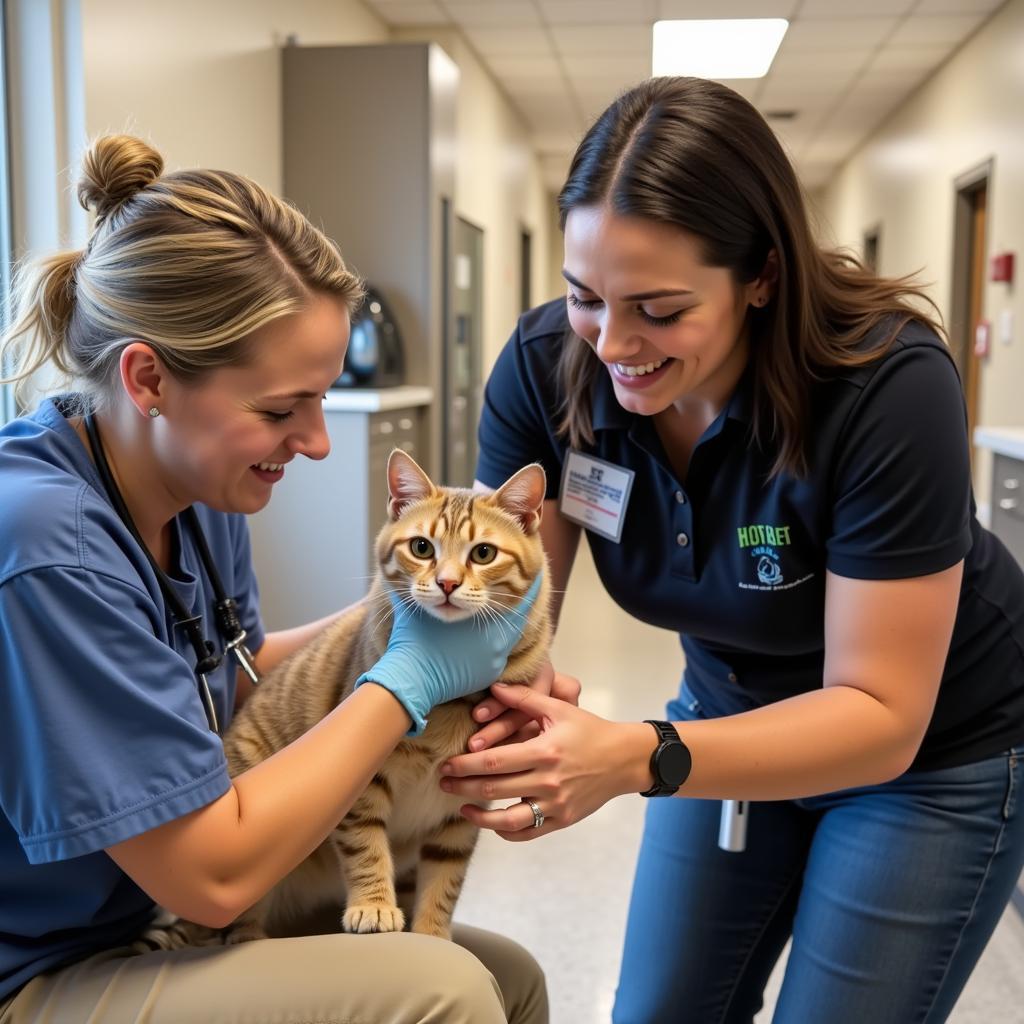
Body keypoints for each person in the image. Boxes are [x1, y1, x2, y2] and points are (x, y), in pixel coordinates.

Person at [437, 77, 1024, 1023]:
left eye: (660, 310)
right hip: (728, 706)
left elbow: (881, 711)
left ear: (761, 275)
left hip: (926, 757)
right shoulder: (551, 365)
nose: (615, 343)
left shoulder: (888, 386)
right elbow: (506, 612)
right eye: (587, 296)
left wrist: (633, 756)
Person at [0, 135, 548, 1024]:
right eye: (280, 409)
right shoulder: (48, 549)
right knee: (443, 994)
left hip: (148, 914)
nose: (319, 441)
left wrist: (418, 631)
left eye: (322, 397)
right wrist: (405, 679)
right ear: (149, 379)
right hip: (44, 965)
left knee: (509, 974)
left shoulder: (190, 487)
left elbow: (239, 664)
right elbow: (213, 875)